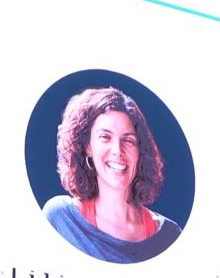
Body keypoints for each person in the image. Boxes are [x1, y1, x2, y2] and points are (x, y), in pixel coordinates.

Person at [42, 87, 183, 263]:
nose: (117, 150)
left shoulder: (169, 236)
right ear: (87, 147)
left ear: (139, 151)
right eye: (105, 137)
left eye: (128, 140)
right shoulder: (62, 219)